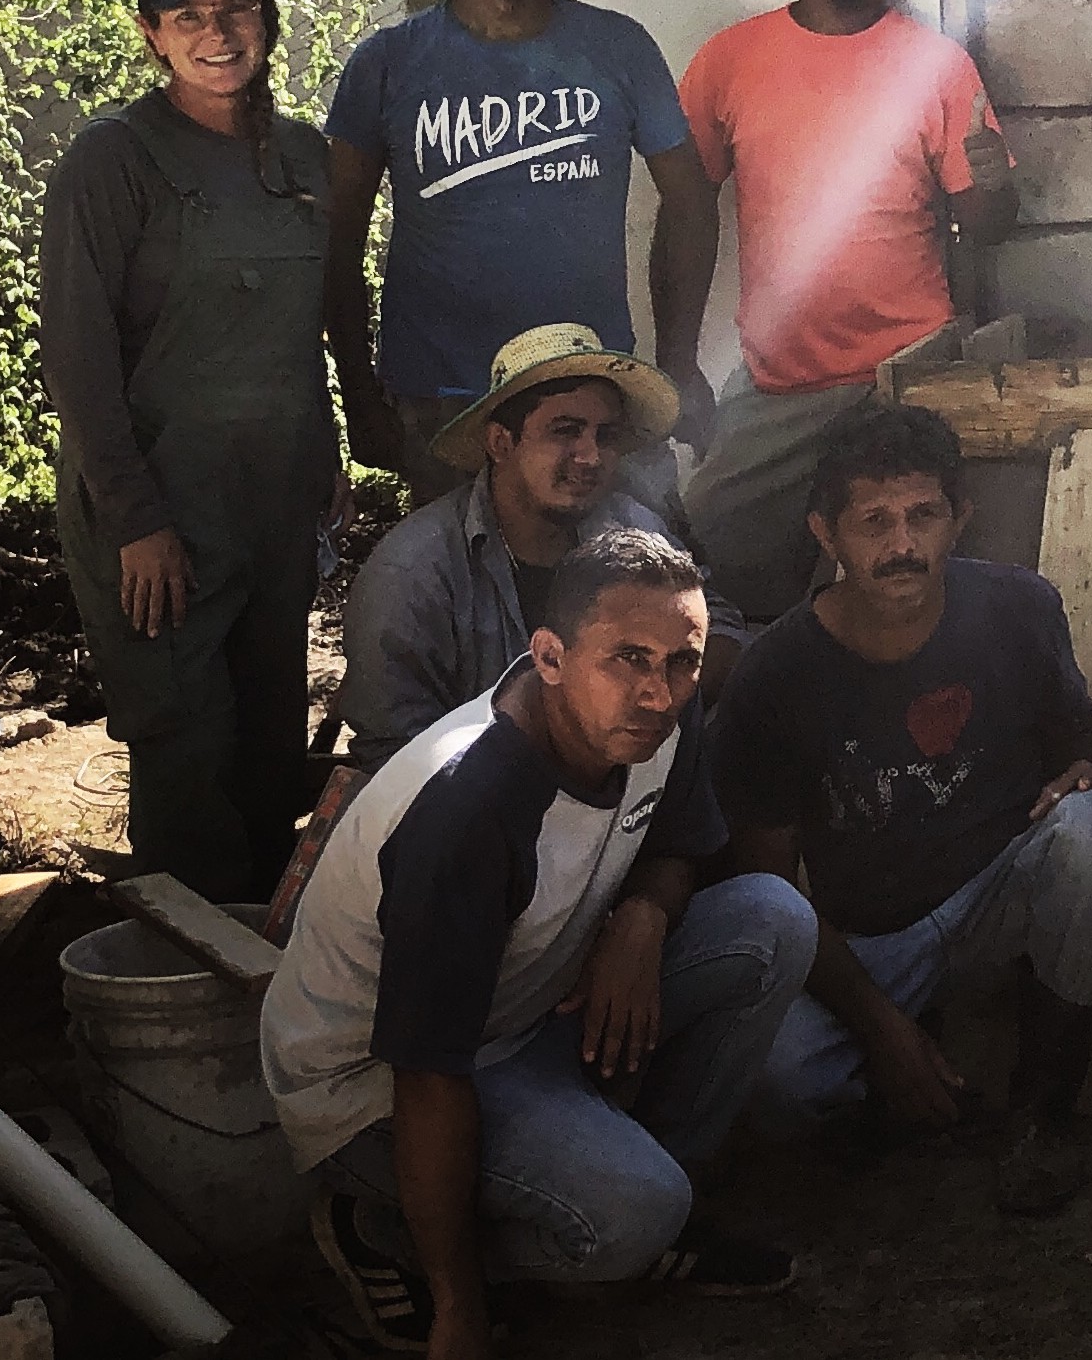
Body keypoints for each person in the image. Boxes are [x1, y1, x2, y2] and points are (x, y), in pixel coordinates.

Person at [262, 531, 817, 1359]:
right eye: (627, 658)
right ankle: (392, 1234)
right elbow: (427, 1071)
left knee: (772, 919)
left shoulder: (662, 713)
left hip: (524, 1006)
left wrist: (642, 919)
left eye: (682, 661)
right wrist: (460, 1309)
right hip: (378, 1087)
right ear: (549, 657)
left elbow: (680, 846)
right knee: (629, 1213)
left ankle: (642, 1198)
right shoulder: (465, 808)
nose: (659, 692)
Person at [708, 404, 1092, 1215]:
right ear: (825, 534)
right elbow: (770, 891)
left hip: (997, 895)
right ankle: (916, 1078)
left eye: (922, 516)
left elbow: (1083, 735)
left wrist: (1081, 774)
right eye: (872, 522)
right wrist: (879, 1027)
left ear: (959, 518)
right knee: (780, 1082)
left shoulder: (1017, 607)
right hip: (872, 938)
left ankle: (1043, 1110)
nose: (901, 546)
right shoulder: (776, 675)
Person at [43, 0, 348, 904]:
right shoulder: (114, 161)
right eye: (190, 16)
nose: (218, 33)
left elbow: (318, 327)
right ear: (153, 35)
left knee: (268, 736)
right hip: (163, 508)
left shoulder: (304, 157)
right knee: (185, 744)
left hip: (273, 504)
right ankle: (186, 980)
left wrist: (328, 459)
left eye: (238, 9)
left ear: (268, 19)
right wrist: (136, 520)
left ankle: (267, 955)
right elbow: (79, 361)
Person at [676, 0, 1017, 621]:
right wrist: (677, 360)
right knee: (708, 549)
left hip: (902, 374)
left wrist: (995, 185)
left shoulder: (936, 65)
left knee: (905, 589)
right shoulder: (730, 60)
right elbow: (687, 211)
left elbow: (988, 226)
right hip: (779, 382)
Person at [322, 0, 719, 505]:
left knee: (600, 588)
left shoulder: (617, 48)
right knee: (458, 582)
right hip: (439, 392)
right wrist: (359, 392)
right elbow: (336, 236)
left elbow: (691, 203)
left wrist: (678, 356)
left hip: (584, 383)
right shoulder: (389, 64)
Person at [338, 322, 749, 767]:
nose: (590, 456)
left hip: (617, 796)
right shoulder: (412, 573)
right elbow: (392, 754)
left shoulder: (631, 525)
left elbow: (719, 625)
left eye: (605, 436)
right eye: (565, 430)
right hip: (468, 808)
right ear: (501, 442)